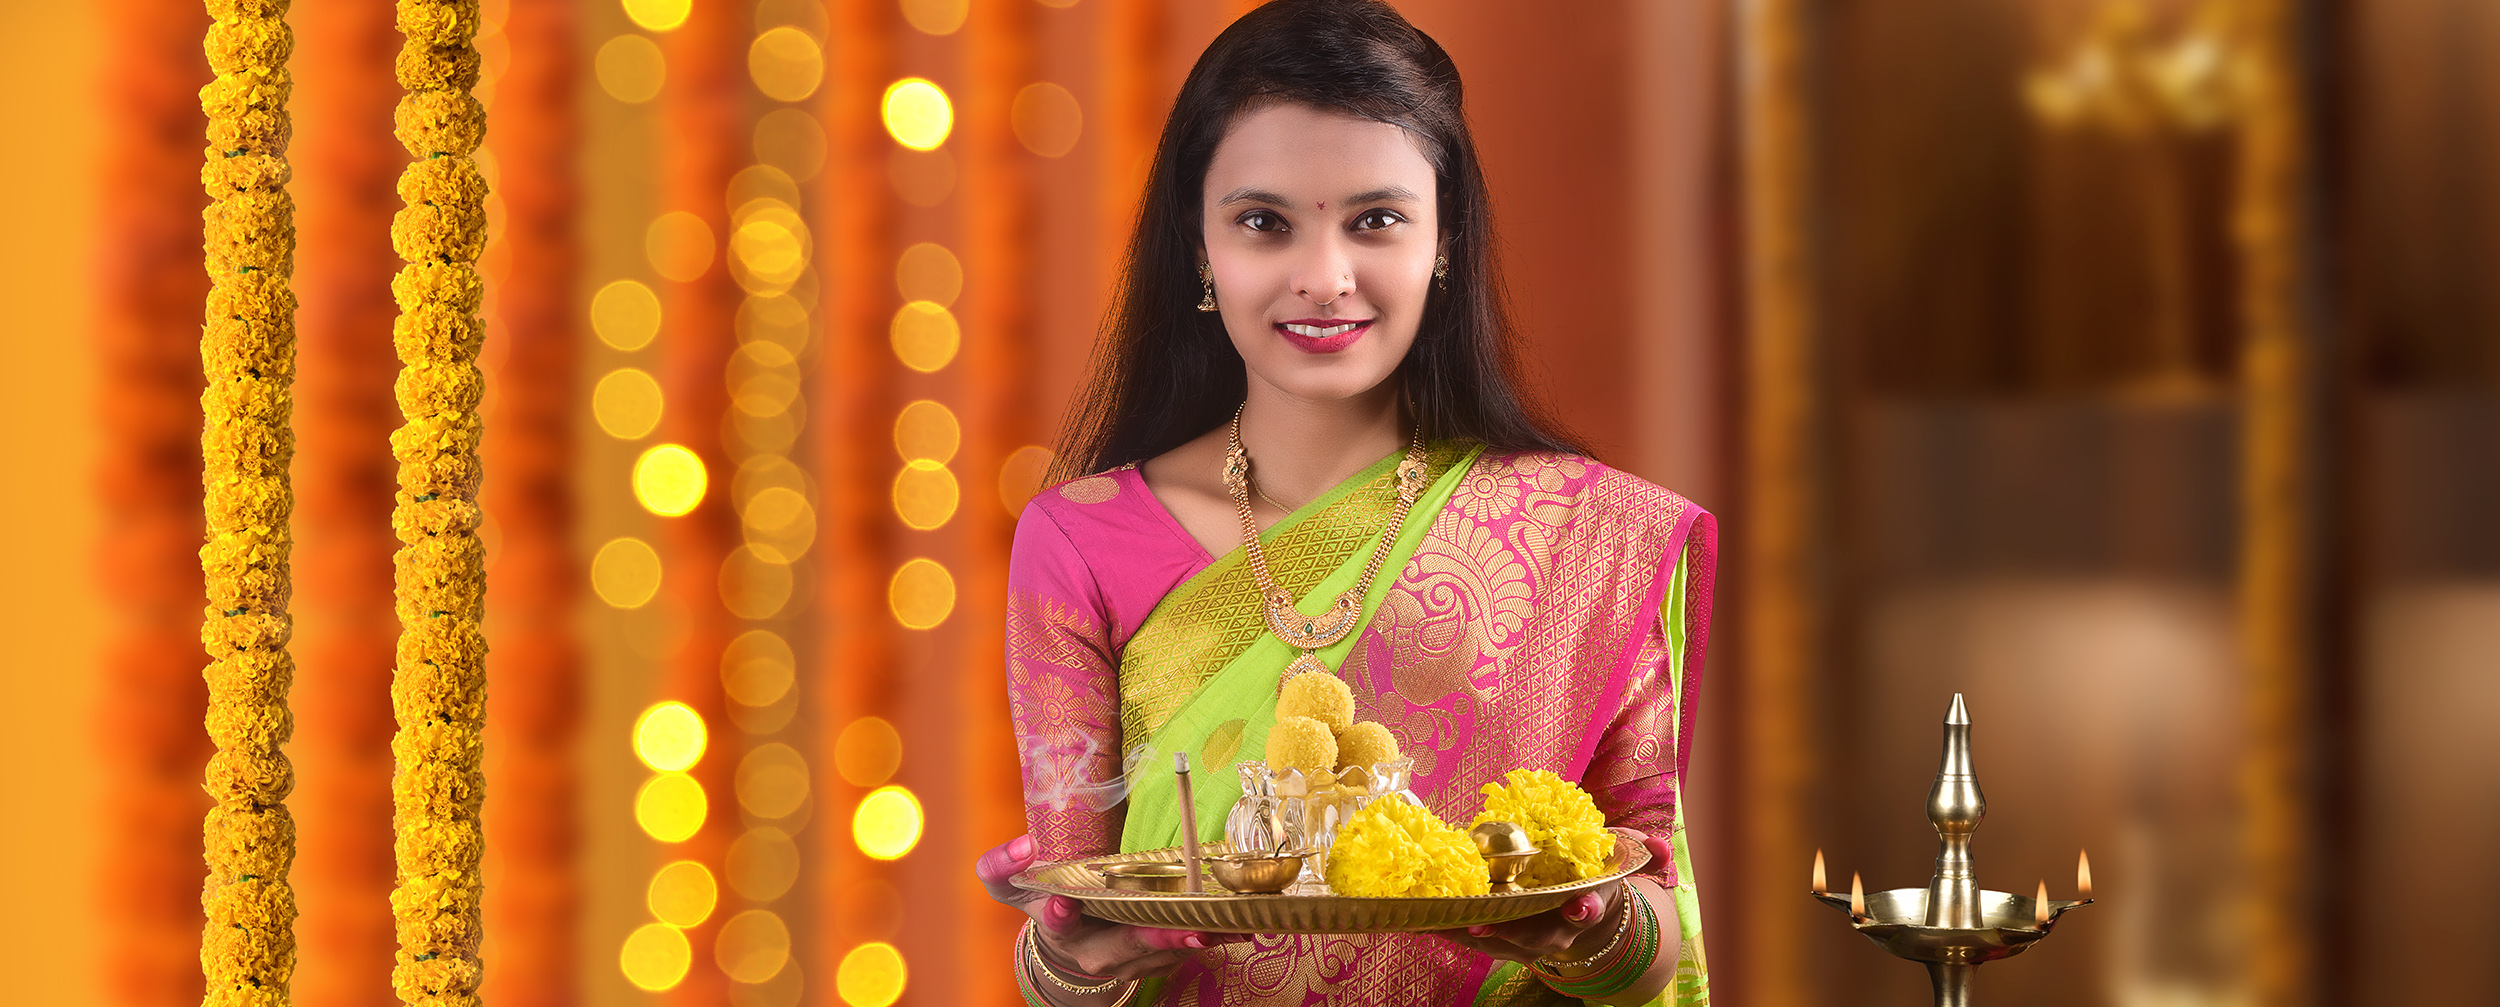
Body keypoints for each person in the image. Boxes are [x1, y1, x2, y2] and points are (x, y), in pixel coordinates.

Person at [972, 2, 1715, 1003]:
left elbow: (1651, 909)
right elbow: (1077, 909)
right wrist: (1061, 959)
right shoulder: (1081, 539)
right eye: (1263, 223)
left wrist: (1590, 925)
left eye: (1375, 220)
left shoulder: (1584, 536)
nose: (1323, 278)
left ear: (1442, 241)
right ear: (1199, 247)